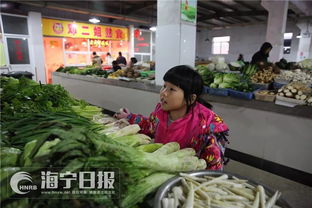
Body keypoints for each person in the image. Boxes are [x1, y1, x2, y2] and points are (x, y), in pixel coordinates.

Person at [115, 65, 229, 170]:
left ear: (191, 98)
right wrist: (129, 117)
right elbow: (150, 126)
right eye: (164, 86)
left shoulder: (206, 127)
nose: (163, 93)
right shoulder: (161, 112)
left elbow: (213, 166)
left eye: (171, 89)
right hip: (160, 168)